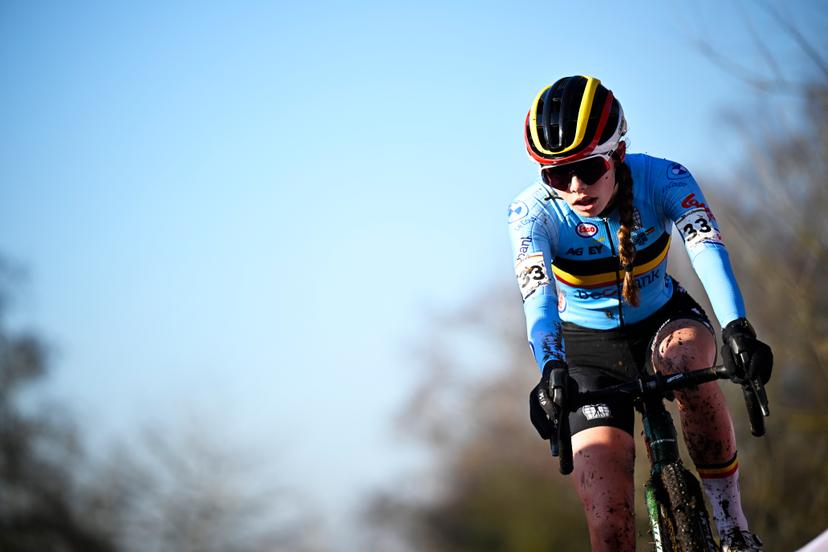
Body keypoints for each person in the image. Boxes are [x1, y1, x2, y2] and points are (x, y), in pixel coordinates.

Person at [507, 75, 773, 552]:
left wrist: (737, 328)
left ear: (618, 152)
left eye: (588, 168)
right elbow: (538, 298)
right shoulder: (531, 214)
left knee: (689, 362)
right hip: (587, 351)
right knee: (609, 526)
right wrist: (550, 369)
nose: (573, 186)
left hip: (664, 321)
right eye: (555, 174)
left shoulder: (666, 179)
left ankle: (731, 522)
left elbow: (706, 249)